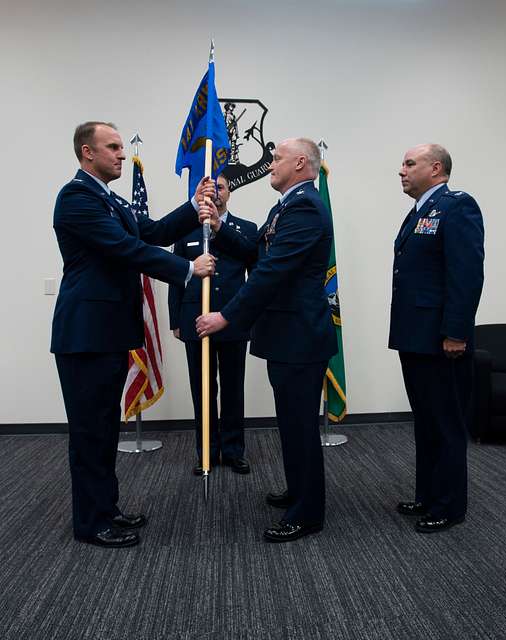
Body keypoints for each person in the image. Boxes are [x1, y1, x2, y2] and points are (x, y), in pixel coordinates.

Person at [51, 121, 216, 548]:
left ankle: (107, 509)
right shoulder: (76, 198)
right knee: (90, 432)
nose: (122, 154)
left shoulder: (111, 200)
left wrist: (193, 203)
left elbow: (154, 232)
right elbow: (126, 249)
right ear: (87, 152)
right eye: (113, 147)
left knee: (106, 429)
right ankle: (91, 523)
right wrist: (186, 269)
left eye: (122, 147)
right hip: (85, 334)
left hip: (108, 333)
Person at [196, 138, 337, 543]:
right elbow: (255, 254)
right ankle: (299, 492)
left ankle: (307, 514)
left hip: (300, 338)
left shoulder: (305, 207)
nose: (269, 163)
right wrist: (220, 228)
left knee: (300, 428)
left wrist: (227, 315)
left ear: (299, 163)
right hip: (287, 335)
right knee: (292, 425)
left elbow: (271, 272)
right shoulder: (285, 206)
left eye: (276, 159)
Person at [389, 143, 484, 533]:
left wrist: (456, 333)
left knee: (446, 423)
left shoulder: (458, 206)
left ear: (437, 168)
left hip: (443, 340)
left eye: (410, 163)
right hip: (415, 337)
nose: (402, 170)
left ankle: (449, 504)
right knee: (425, 422)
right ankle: (428, 494)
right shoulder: (419, 212)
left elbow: (466, 274)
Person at [169, 174, 257, 475]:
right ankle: (206, 451)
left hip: (232, 320)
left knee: (233, 389)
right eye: (210, 188)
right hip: (195, 320)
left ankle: (233, 451)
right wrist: (175, 320)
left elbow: (254, 267)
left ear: (230, 192)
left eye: (220, 187)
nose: (216, 192)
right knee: (202, 389)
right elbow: (175, 280)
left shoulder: (246, 230)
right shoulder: (186, 231)